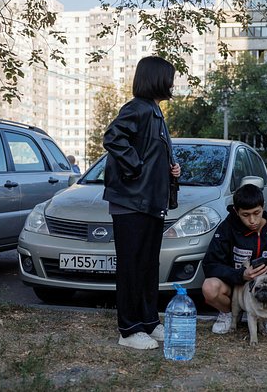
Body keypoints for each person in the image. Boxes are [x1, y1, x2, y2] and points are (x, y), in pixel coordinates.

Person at [102, 56, 181, 350]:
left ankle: (148, 321)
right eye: (169, 77)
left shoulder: (154, 111)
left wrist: (170, 169)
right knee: (132, 266)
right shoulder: (137, 108)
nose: (173, 83)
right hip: (131, 202)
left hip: (149, 202)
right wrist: (137, 168)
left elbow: (149, 152)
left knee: (148, 265)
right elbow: (113, 137)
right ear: (156, 78)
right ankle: (129, 329)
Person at [202, 183, 267, 335]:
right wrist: (241, 275)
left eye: (257, 213)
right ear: (236, 211)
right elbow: (210, 264)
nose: (252, 220)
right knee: (209, 287)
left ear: (263, 207)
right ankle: (228, 314)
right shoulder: (226, 228)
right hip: (235, 287)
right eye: (246, 215)